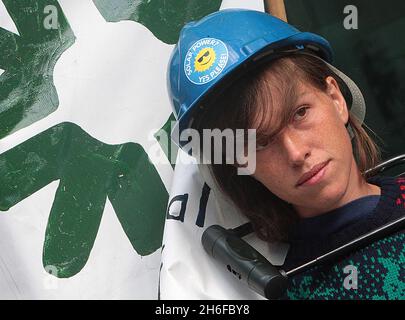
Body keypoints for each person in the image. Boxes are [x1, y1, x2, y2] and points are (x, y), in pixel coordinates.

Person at [167, 9, 405, 299]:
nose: (295, 153)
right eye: (260, 142)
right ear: (240, 165)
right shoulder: (298, 290)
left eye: (299, 113)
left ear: (335, 98)